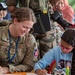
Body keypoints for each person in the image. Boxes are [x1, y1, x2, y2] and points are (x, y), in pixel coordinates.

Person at [0, 7, 38, 74]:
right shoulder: (1, 33)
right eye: (24, 27)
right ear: (15, 21)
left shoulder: (29, 39)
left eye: (29, 28)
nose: (26, 31)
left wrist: (8, 69)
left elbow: (29, 65)